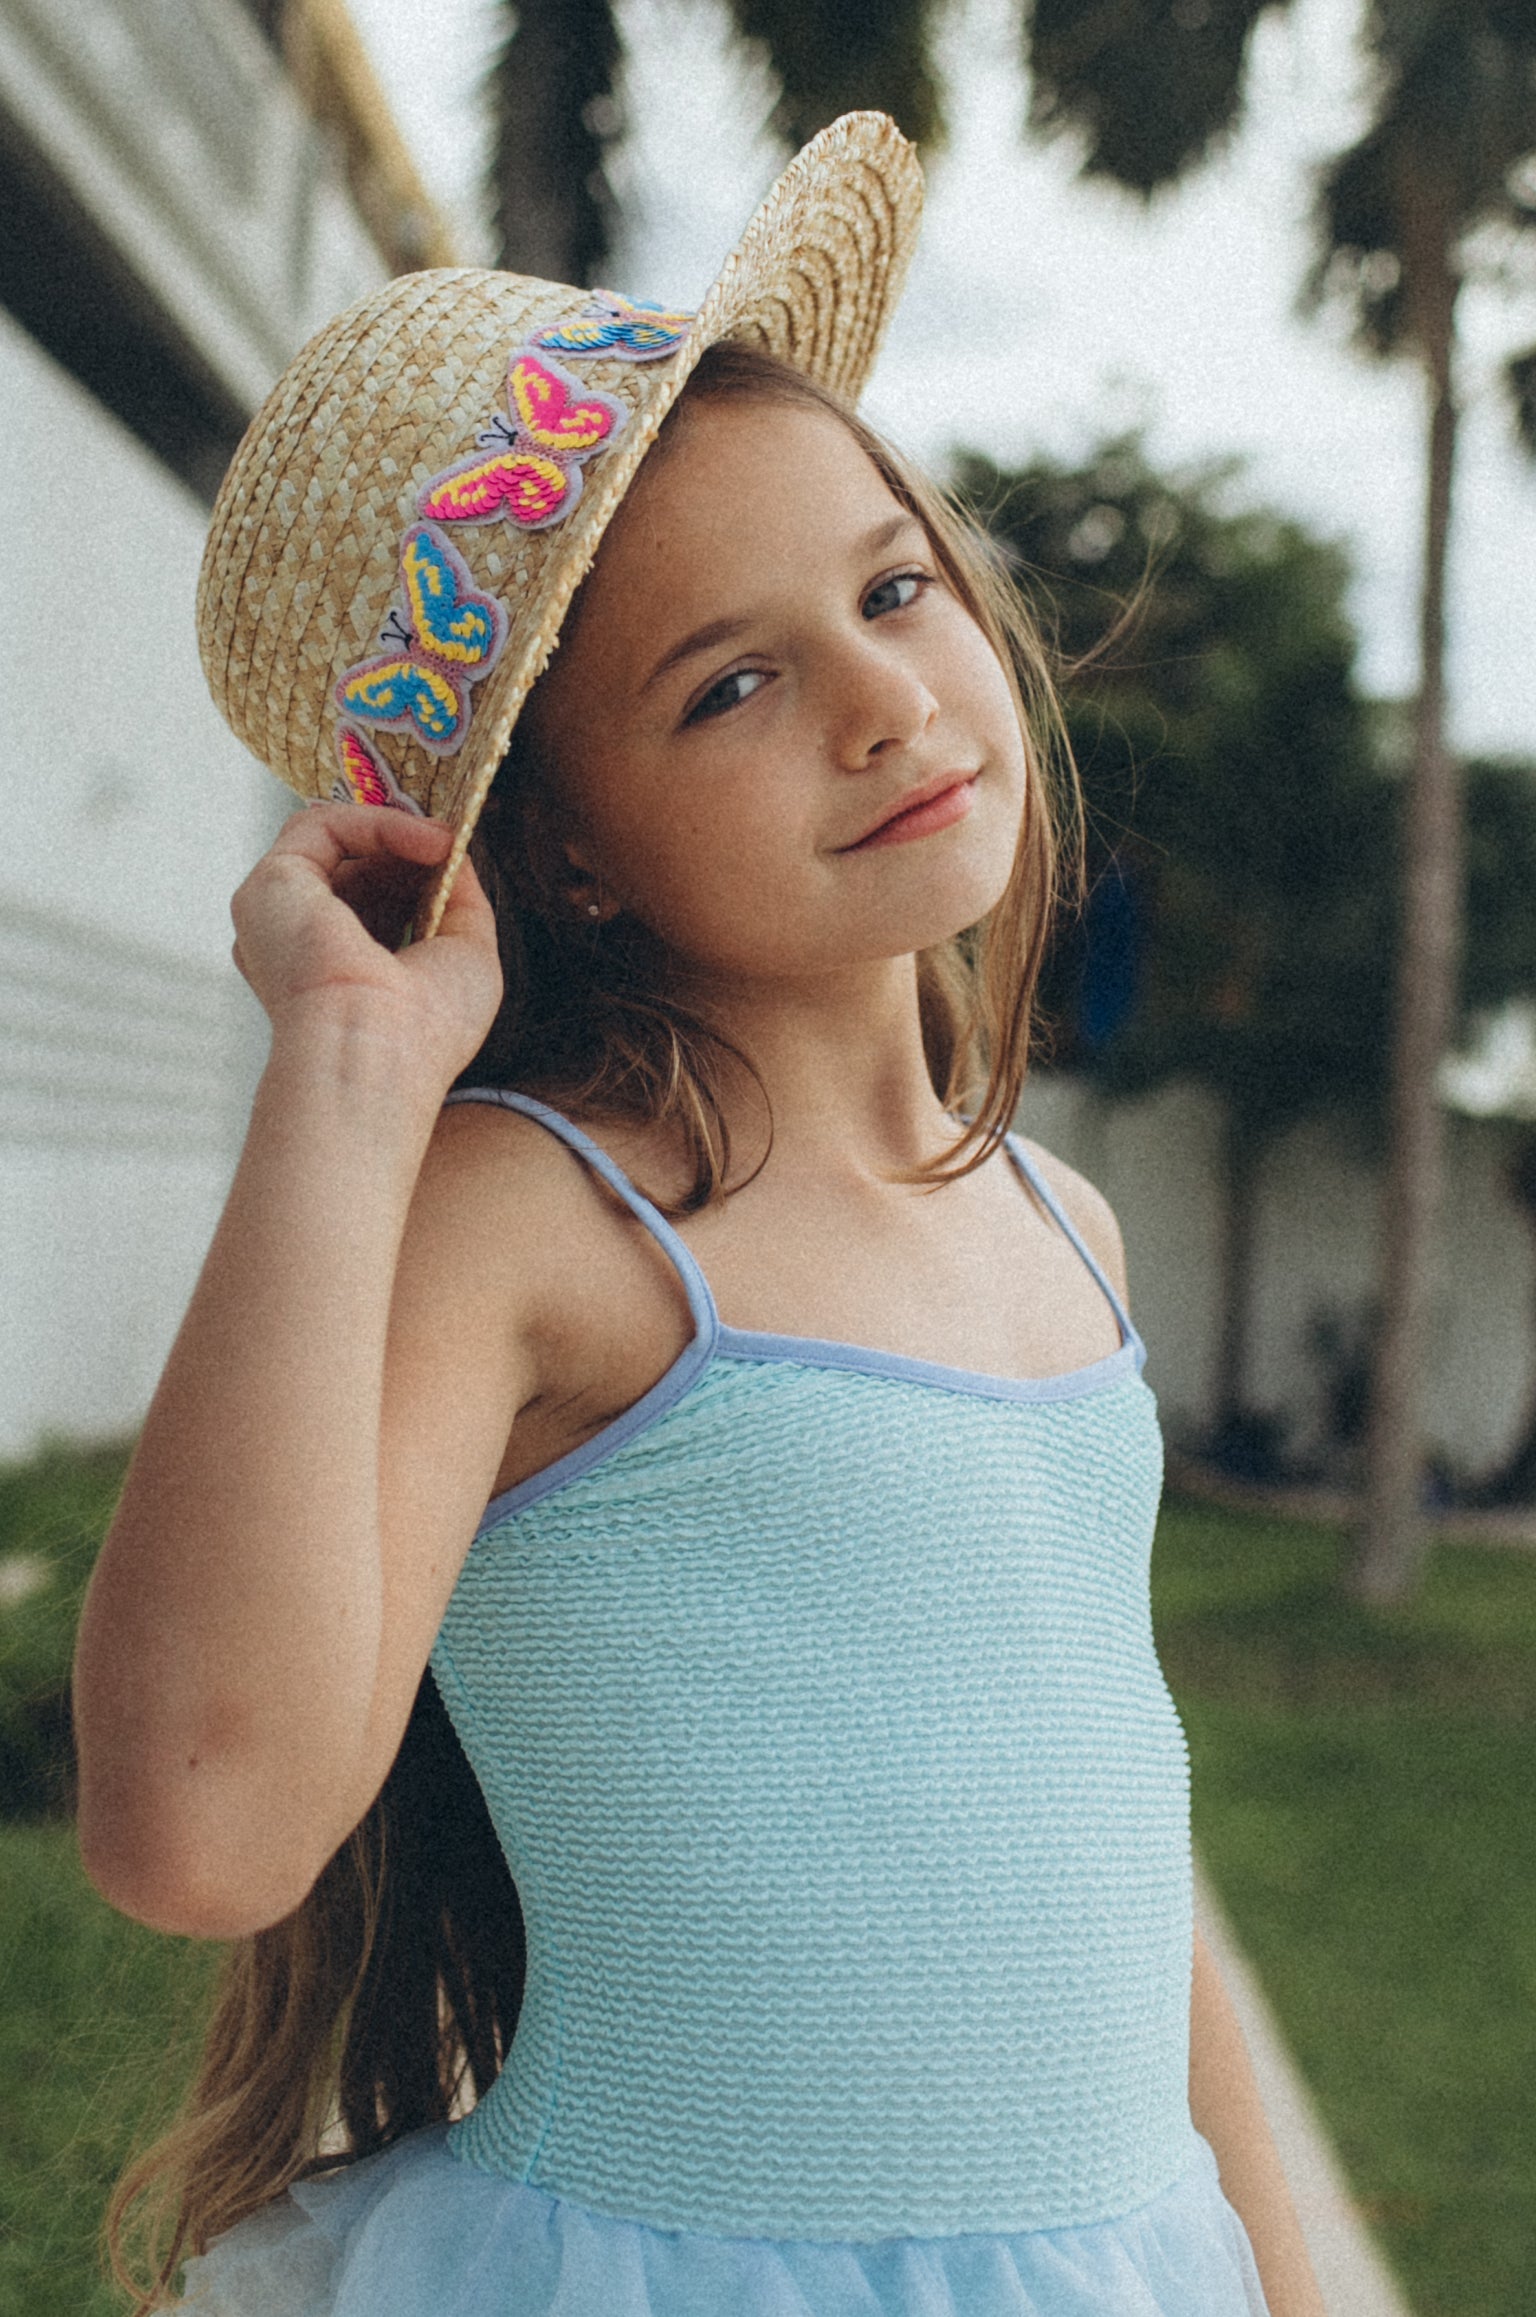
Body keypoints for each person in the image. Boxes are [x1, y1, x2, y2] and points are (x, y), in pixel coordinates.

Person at [73, 114, 1327, 2317]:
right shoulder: (538, 1219)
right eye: (726, 683)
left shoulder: (1062, 1233)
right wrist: (352, 1078)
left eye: (889, 586)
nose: (878, 699)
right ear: (560, 854)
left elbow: (1118, 1883)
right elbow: (200, 1824)